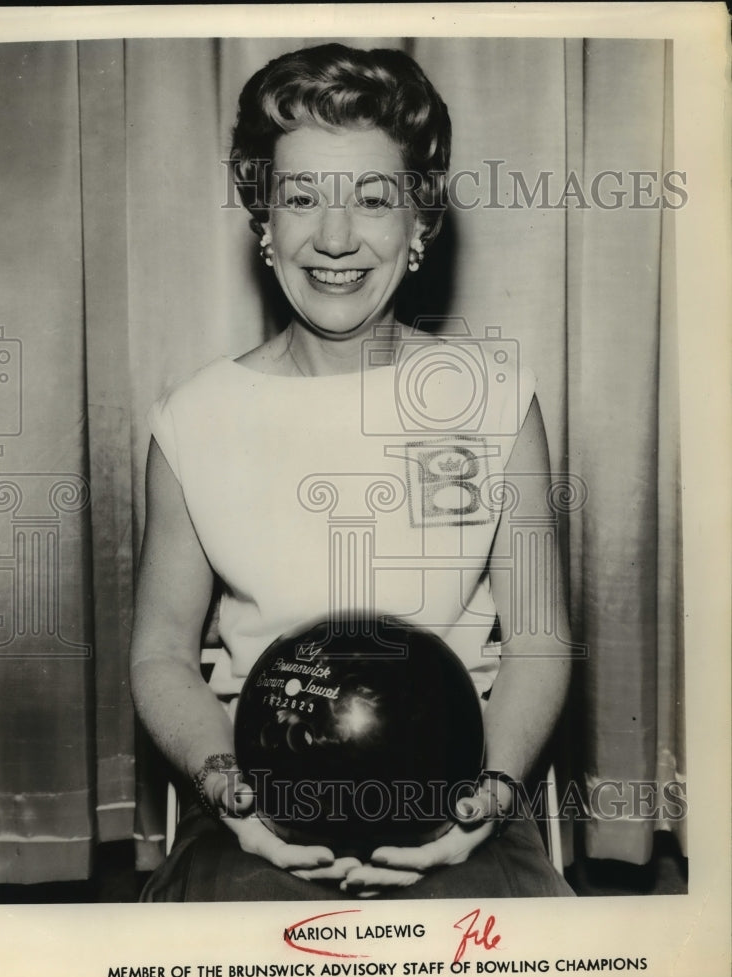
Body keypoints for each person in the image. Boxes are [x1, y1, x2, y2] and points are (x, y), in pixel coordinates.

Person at [131, 43, 574, 900]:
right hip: (258, 809)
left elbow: (539, 641)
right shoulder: (192, 421)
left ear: (420, 226)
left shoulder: (494, 400)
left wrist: (483, 804)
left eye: (374, 200)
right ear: (264, 220)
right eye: (301, 198)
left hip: (461, 805)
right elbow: (161, 655)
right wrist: (230, 792)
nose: (335, 239)